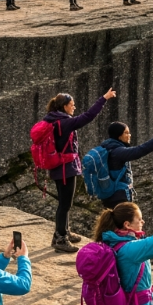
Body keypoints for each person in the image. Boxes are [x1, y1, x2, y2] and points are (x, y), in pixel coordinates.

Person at [43, 89, 116, 252]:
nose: (74, 107)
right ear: (64, 106)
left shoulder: (52, 119)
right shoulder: (64, 122)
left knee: (64, 202)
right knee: (65, 204)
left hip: (58, 166)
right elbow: (88, 116)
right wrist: (104, 98)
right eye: (72, 105)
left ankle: (64, 232)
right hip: (65, 169)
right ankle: (60, 238)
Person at [98, 122, 153, 209]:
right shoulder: (116, 151)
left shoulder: (107, 148)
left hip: (111, 196)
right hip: (119, 196)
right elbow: (138, 151)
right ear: (118, 136)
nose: (129, 135)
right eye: (126, 133)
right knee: (126, 217)